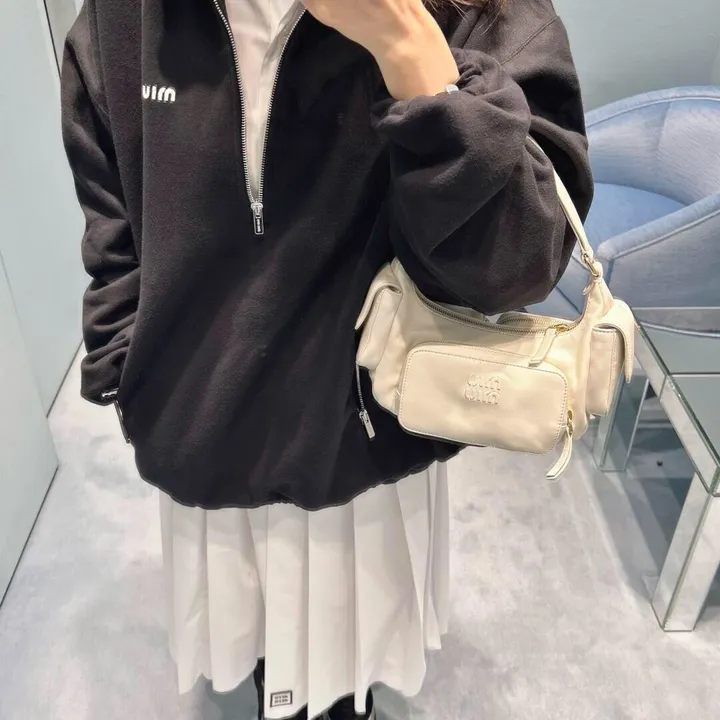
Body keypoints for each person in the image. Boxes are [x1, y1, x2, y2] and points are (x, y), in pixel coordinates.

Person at [61, 0, 592, 717]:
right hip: (200, 432)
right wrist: (130, 369)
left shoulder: (476, 10)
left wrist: (407, 46)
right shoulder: (125, 15)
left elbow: (519, 265)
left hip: (363, 445)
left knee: (345, 674)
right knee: (259, 648)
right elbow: (113, 215)